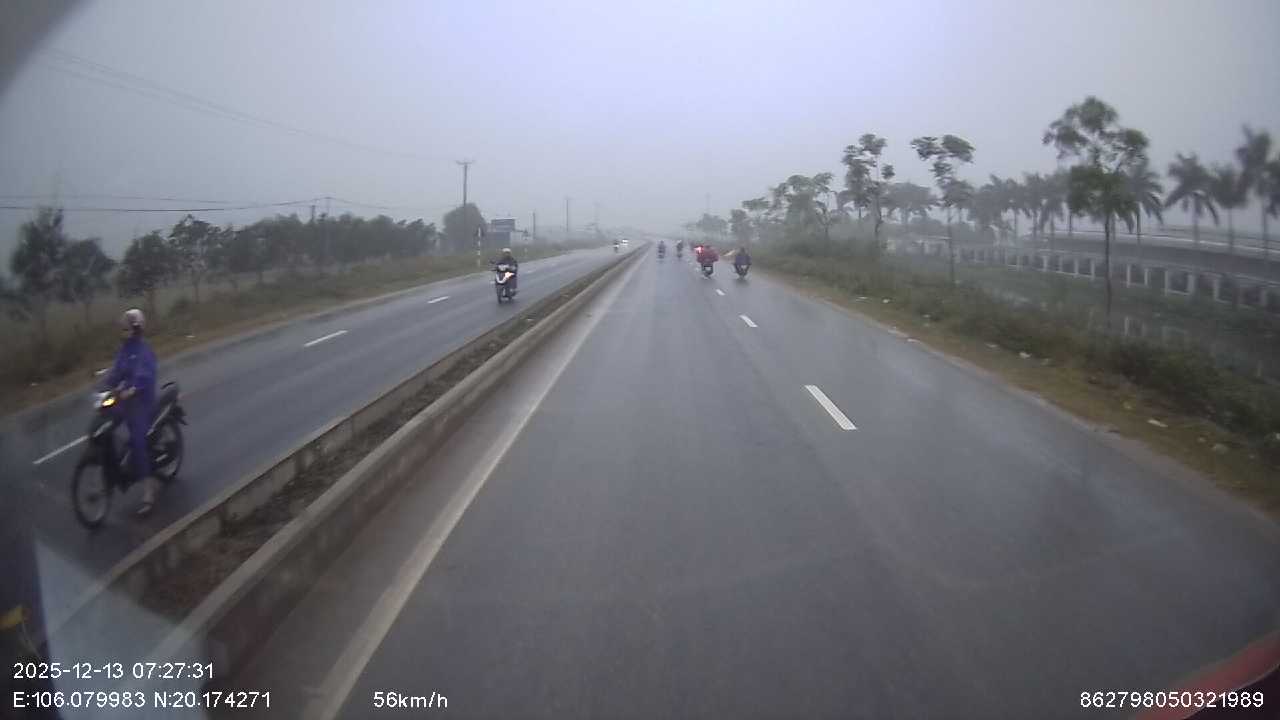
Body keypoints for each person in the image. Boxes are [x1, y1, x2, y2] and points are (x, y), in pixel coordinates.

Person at [103, 308, 158, 516]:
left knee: (137, 441)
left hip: (142, 401)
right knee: (106, 424)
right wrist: (103, 386)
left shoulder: (144, 350)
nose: (123, 332)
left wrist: (133, 389)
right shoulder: (124, 350)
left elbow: (145, 376)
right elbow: (116, 372)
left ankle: (148, 491)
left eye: (126, 329)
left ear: (137, 329)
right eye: (122, 329)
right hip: (125, 399)